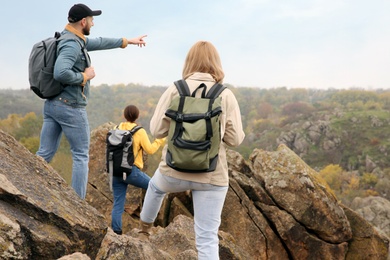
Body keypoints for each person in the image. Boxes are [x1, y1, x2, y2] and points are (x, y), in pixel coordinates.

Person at [138, 41, 245, 259]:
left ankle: (143, 231)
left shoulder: (175, 89)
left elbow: (157, 130)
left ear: (189, 62)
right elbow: (235, 140)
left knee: (155, 187)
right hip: (211, 176)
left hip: (173, 171)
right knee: (207, 238)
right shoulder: (225, 95)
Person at [36, 3, 147, 199]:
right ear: (83, 21)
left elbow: (100, 42)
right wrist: (84, 76)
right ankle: (78, 204)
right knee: (80, 155)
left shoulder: (71, 38)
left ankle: (26, 186)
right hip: (70, 107)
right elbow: (60, 72)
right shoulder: (72, 43)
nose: (93, 24)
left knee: (44, 153)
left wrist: (128, 41)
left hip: (52, 105)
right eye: (92, 20)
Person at [111, 105, 165, 235]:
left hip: (116, 171)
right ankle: (148, 223)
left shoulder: (116, 128)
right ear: (137, 116)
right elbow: (150, 150)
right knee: (155, 187)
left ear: (124, 115)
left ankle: (116, 232)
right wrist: (161, 140)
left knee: (118, 203)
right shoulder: (139, 131)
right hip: (131, 172)